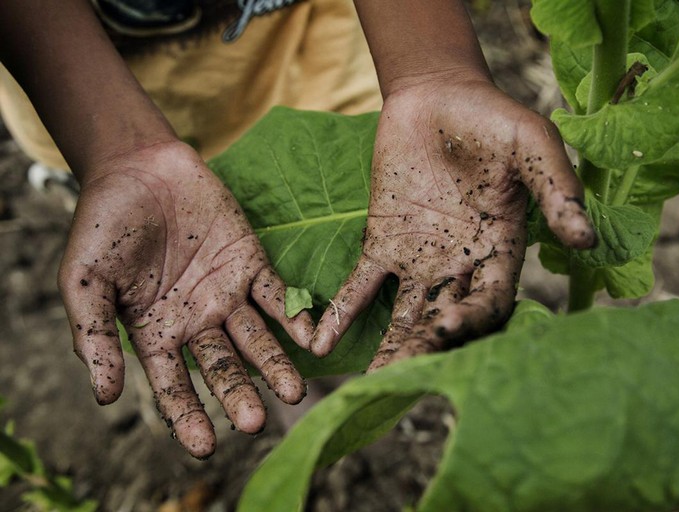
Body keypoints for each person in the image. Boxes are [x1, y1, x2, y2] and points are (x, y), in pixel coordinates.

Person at [0, 0, 594, 459]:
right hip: (85, 69)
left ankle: (315, 357)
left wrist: (432, 66)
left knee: (371, 182)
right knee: (211, 256)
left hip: (321, 29)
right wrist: (114, 148)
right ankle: (298, 378)